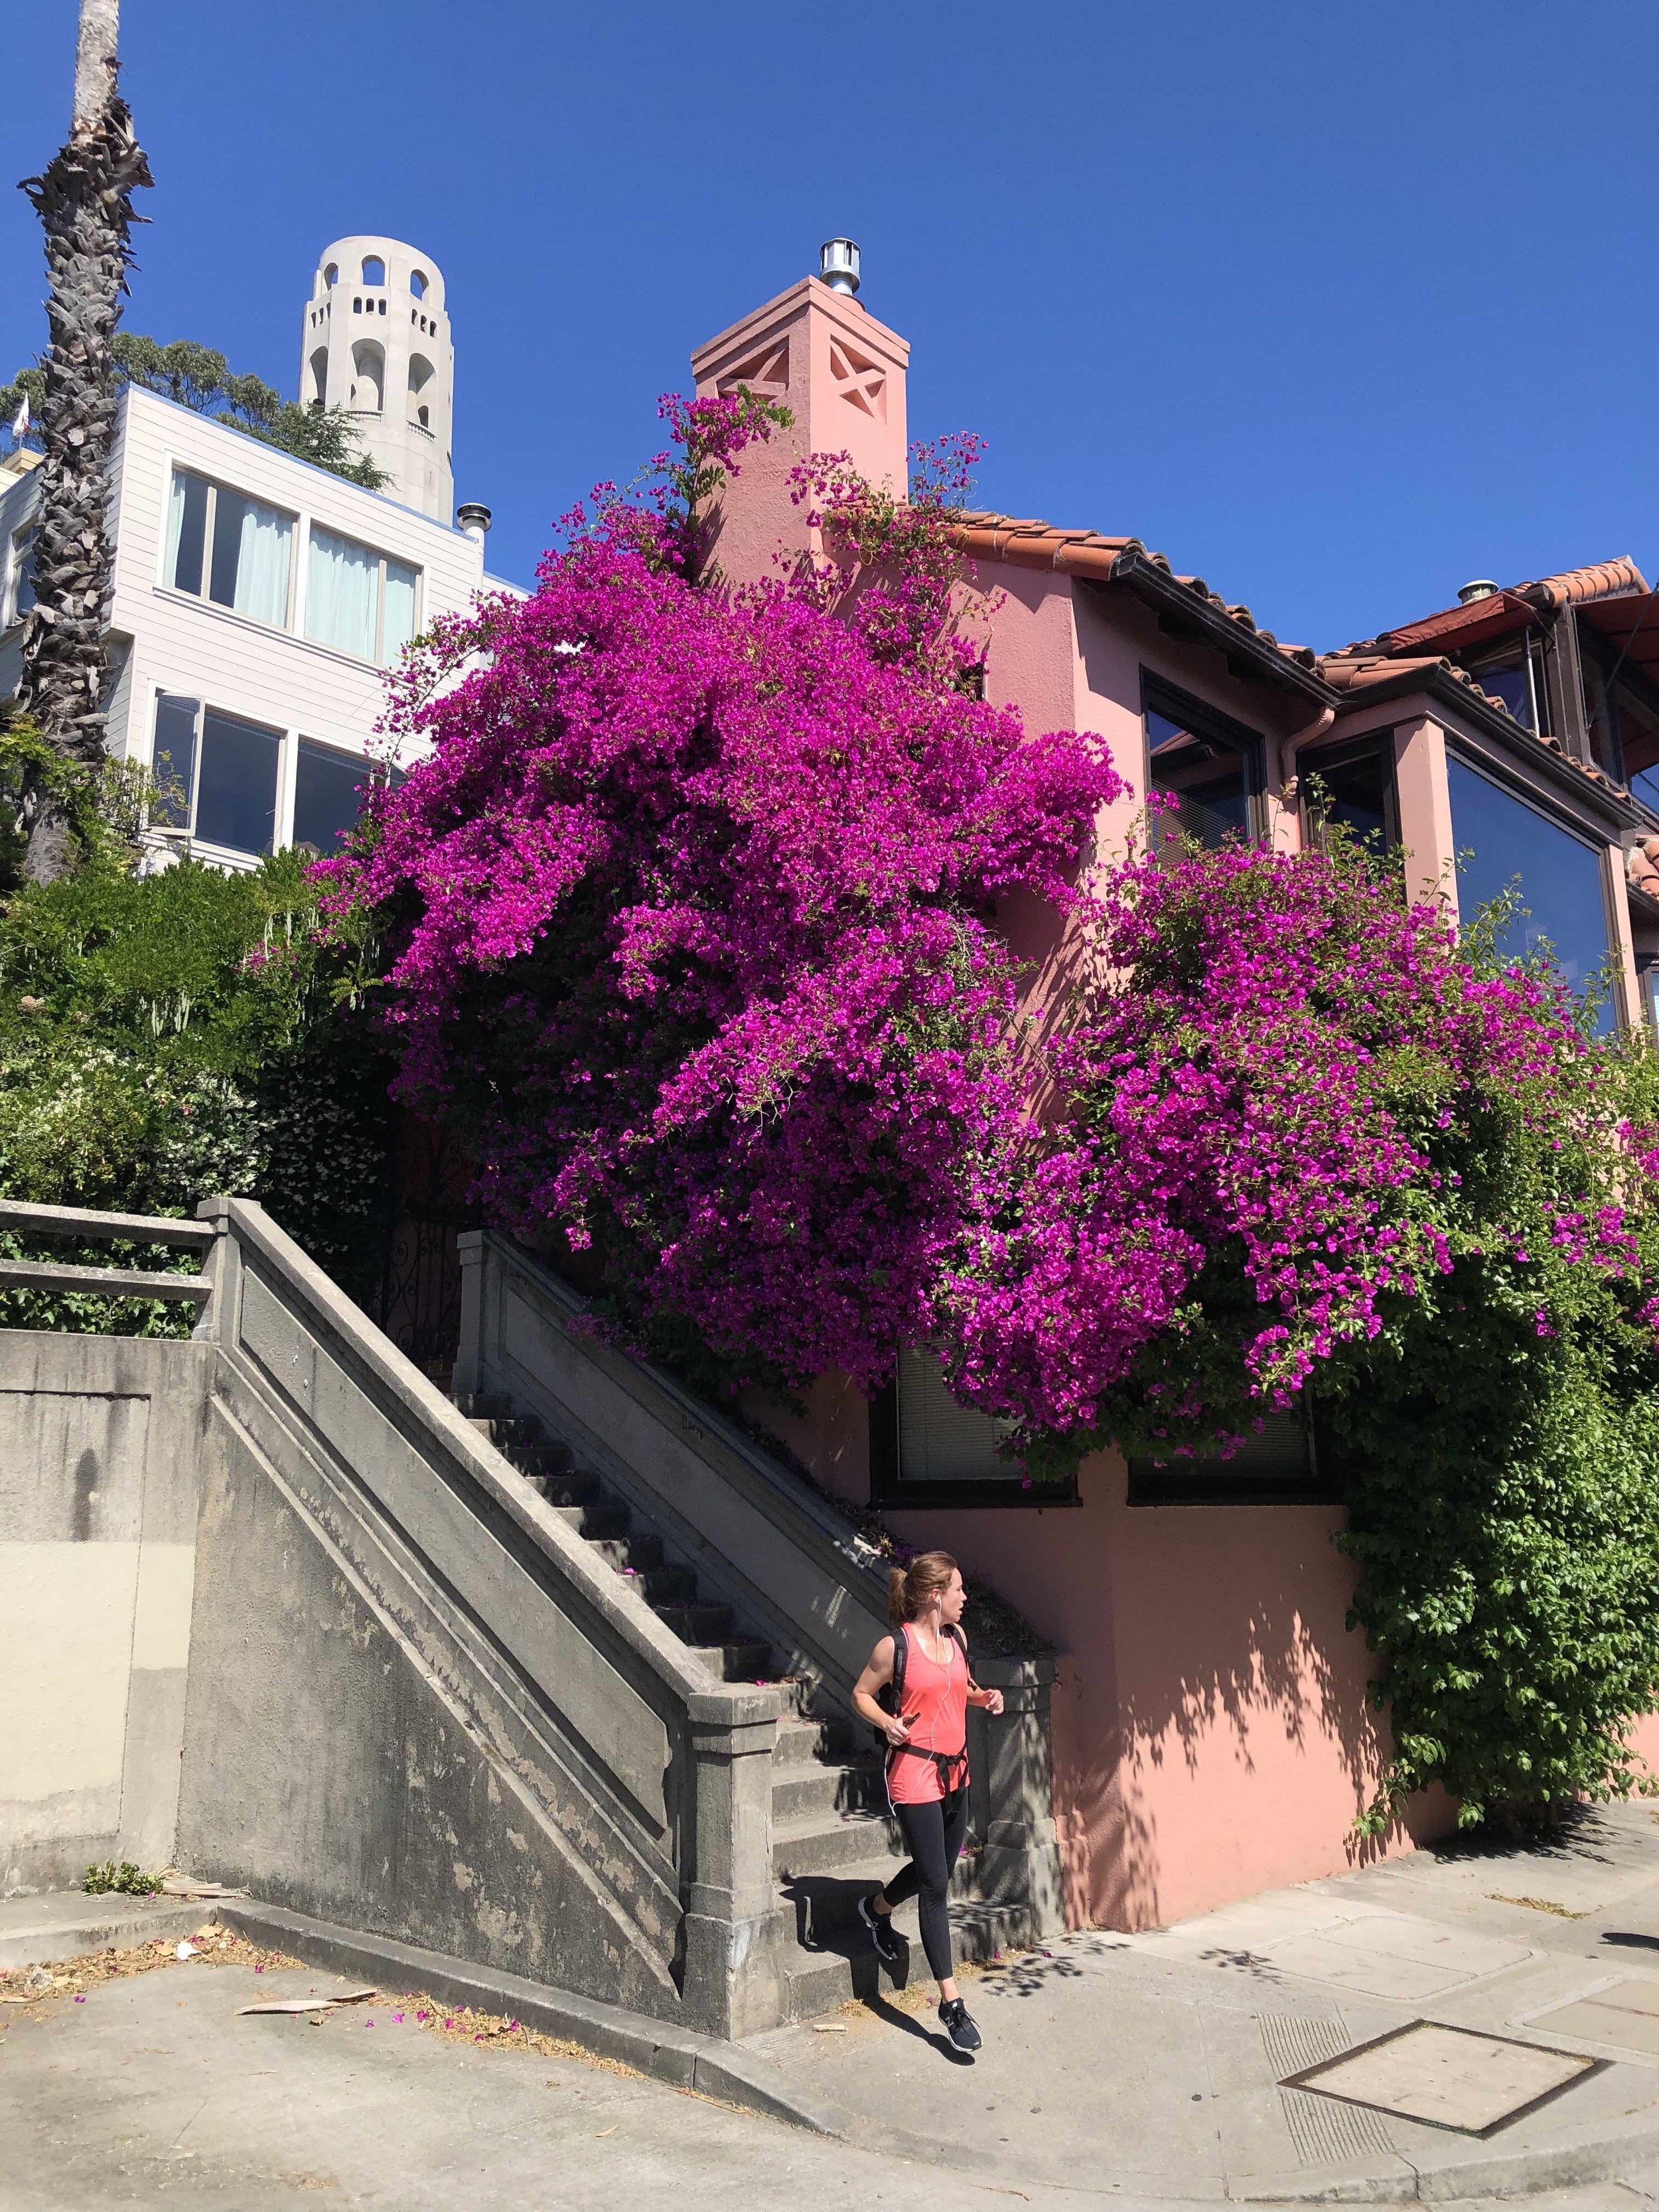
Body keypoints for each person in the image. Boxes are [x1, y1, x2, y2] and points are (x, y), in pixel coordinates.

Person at [850, 1550, 1004, 2053]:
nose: (965, 1598)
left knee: (930, 1866)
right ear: (937, 1595)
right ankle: (951, 2003)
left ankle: (874, 1909)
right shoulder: (893, 1646)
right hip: (914, 1772)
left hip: (956, 1770)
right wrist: (887, 1723)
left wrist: (984, 1698)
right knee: (937, 1881)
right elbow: (862, 1694)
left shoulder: (956, 1639)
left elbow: (959, 1689)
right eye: (959, 1589)